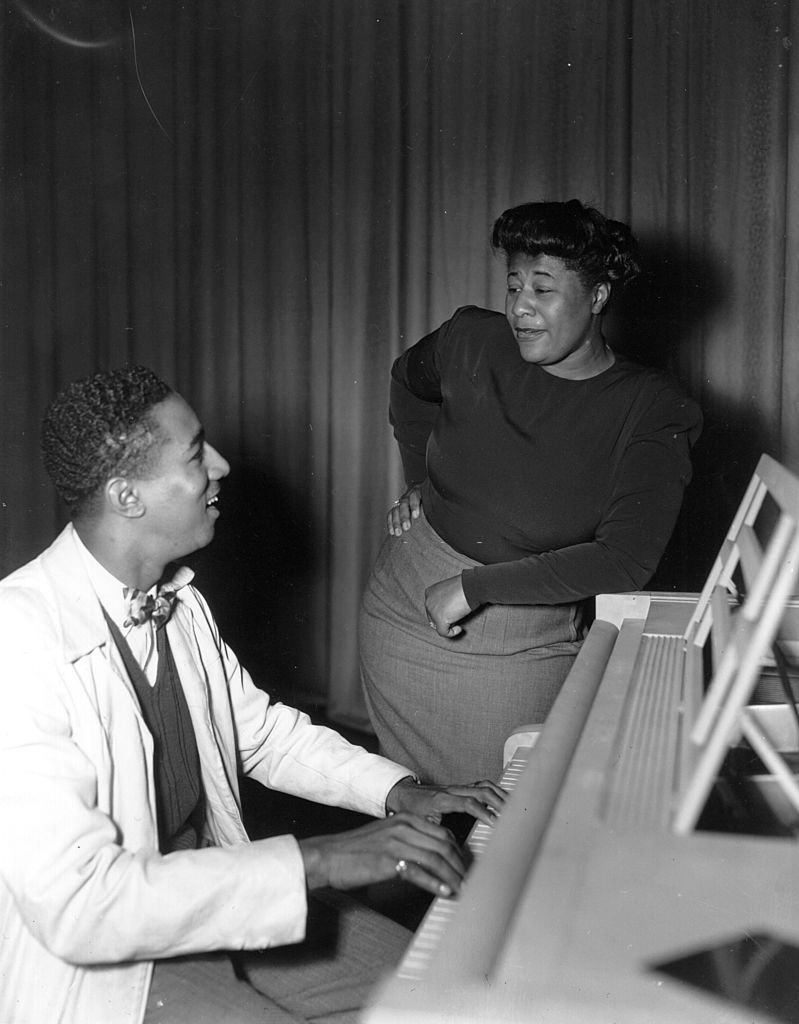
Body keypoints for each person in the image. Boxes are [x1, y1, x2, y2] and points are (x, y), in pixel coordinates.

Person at [0, 365, 505, 1024]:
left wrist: (402, 792)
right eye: (194, 453)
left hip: (225, 902)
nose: (221, 465)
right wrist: (321, 859)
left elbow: (260, 734)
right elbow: (79, 906)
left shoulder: (181, 603)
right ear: (128, 497)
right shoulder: (19, 637)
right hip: (111, 969)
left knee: (441, 994)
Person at [359, 199, 703, 785]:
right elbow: (406, 382)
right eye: (514, 285)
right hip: (402, 614)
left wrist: (475, 586)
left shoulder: (651, 406)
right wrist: (419, 478)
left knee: (508, 833)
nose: (520, 307)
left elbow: (626, 560)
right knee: (410, 819)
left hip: (521, 644)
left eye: (543, 289)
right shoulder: (472, 339)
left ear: (597, 297)